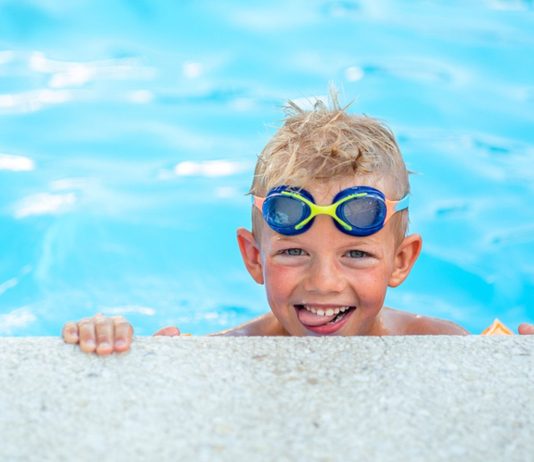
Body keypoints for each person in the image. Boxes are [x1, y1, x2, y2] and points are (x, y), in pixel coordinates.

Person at [62, 93, 534, 355]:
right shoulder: (223, 355)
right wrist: (104, 341)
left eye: (356, 254)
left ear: (401, 260)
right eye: (293, 251)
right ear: (253, 256)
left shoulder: (439, 344)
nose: (324, 282)